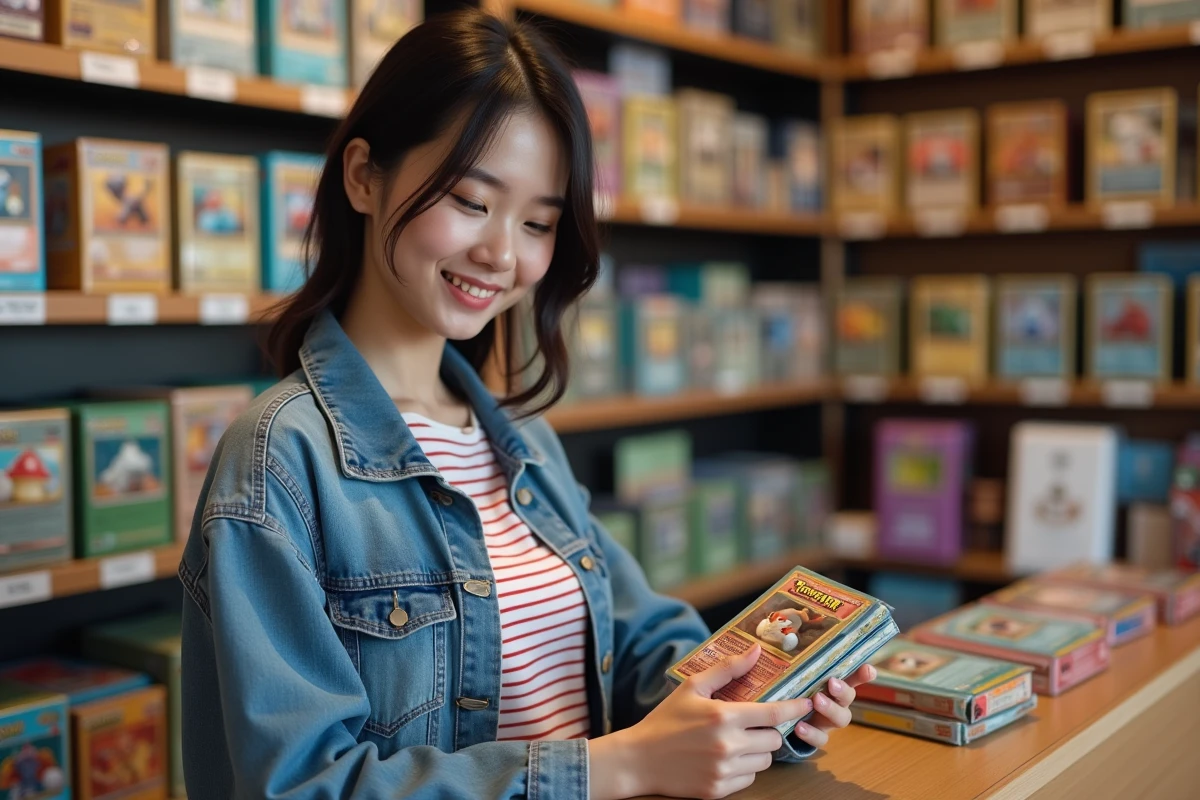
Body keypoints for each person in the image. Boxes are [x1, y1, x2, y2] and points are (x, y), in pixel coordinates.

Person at [179, 10, 874, 800]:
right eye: (472, 202)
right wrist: (622, 765)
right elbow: (302, 785)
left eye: (538, 222)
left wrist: (762, 696)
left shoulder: (523, 443)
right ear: (364, 175)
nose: (503, 255)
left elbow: (643, 639)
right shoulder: (278, 458)